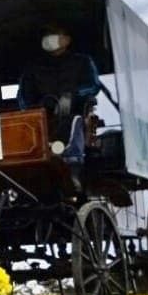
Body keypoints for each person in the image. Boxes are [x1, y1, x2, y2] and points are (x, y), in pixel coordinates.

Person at [17, 23, 102, 189]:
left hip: (74, 114)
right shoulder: (33, 68)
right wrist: (34, 109)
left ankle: (72, 167)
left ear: (67, 40)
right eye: (47, 34)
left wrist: (72, 96)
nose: (49, 38)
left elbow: (93, 86)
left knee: (73, 122)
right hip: (42, 116)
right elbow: (24, 95)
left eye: (54, 33)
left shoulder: (82, 61)